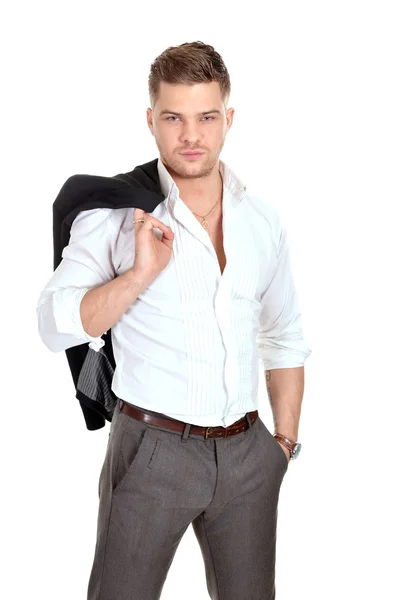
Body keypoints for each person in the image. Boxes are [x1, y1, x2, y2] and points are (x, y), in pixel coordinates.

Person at [36, 40, 312, 600]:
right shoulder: (116, 217)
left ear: (228, 119)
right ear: (151, 121)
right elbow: (53, 324)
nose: (192, 135)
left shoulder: (261, 219)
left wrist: (282, 446)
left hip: (247, 456)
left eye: (207, 117)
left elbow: (283, 336)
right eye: (174, 118)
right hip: (151, 452)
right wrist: (138, 275)